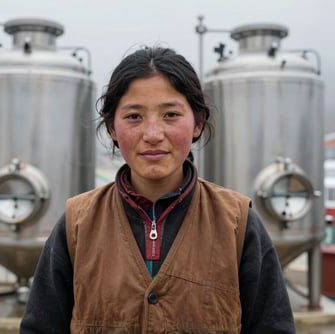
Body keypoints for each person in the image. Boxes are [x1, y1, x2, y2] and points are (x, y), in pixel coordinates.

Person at [20, 46, 296, 334]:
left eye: (171, 114)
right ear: (112, 128)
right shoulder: (77, 223)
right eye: (134, 117)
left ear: (198, 123)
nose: (153, 135)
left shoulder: (238, 223)